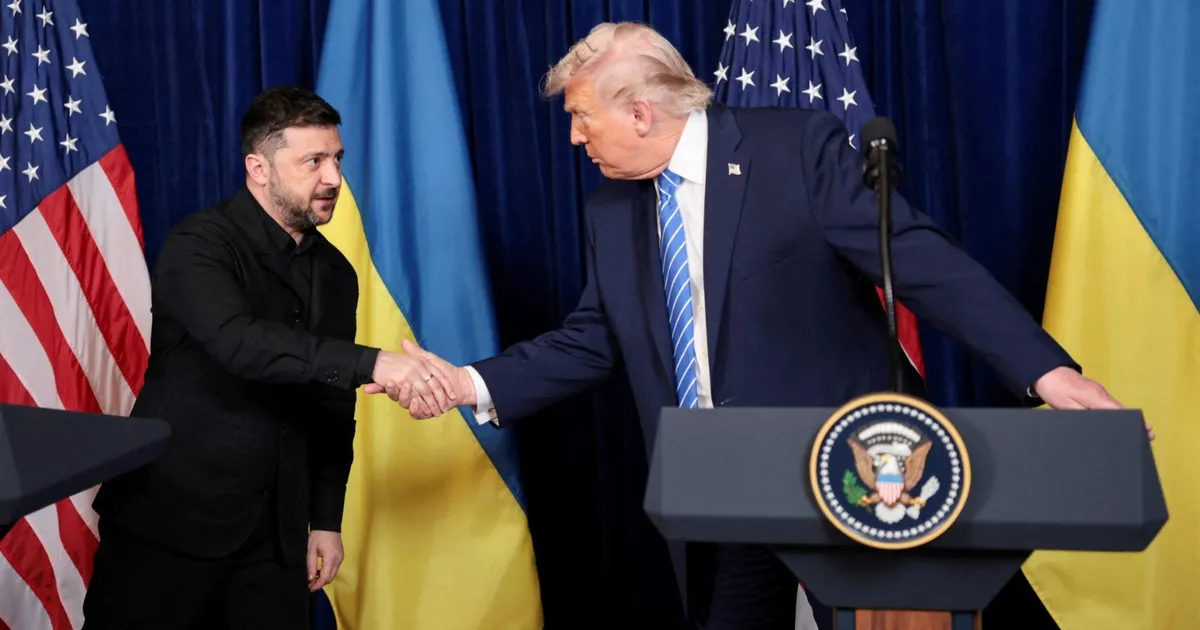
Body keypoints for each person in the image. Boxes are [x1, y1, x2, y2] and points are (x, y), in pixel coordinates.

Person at [373, 22, 1153, 630]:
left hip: (849, 474)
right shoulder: (612, 209)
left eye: (582, 117)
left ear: (640, 112)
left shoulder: (794, 149)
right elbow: (594, 338)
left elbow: (919, 261)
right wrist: (467, 383)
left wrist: (1048, 373)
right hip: (718, 489)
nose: (575, 137)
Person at [82, 86, 457, 630]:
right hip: (170, 524)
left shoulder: (336, 273)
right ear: (258, 168)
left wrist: (325, 519)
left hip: (275, 542)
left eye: (337, 159)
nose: (333, 178)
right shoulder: (199, 243)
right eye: (313, 161)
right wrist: (373, 362)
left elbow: (332, 407)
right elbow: (240, 344)